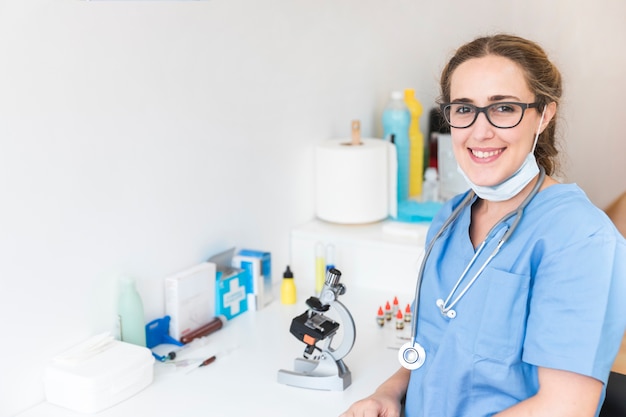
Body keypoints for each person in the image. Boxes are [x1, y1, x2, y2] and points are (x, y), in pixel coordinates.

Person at [340, 34, 626, 417]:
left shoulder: (581, 240)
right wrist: (388, 392)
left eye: (503, 108)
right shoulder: (450, 218)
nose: (480, 131)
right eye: (463, 109)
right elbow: (438, 347)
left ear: (544, 115)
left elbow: (566, 407)